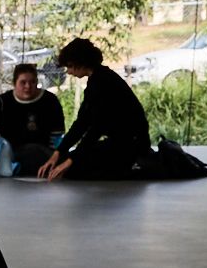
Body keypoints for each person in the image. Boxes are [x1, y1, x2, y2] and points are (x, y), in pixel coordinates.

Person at [39, 38, 152, 180]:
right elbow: (82, 122)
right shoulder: (97, 80)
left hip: (131, 144)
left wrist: (71, 159)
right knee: (72, 162)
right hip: (122, 141)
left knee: (75, 169)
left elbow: (96, 128)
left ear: (81, 63)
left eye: (70, 66)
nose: (69, 72)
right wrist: (59, 152)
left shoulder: (103, 82)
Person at [0, 60, 66, 175]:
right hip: (6, 153)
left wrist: (53, 157)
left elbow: (57, 135)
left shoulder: (50, 101)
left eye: (32, 82)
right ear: (14, 83)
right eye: (23, 82)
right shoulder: (1, 102)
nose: (28, 86)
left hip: (38, 153)